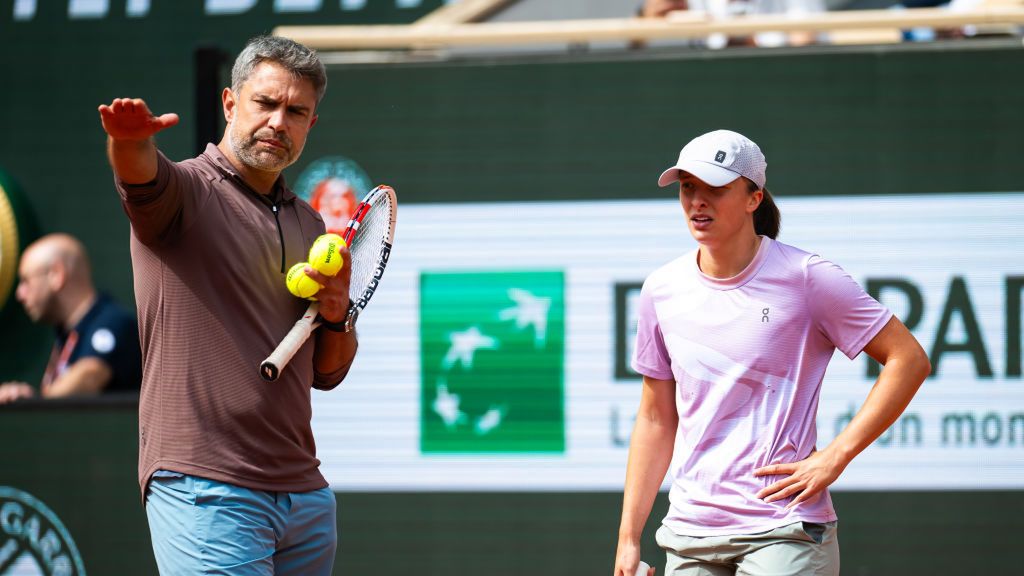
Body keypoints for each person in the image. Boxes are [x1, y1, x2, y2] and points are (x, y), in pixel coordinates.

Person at [613, 130, 930, 576]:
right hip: (688, 532)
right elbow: (655, 418)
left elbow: (908, 358)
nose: (697, 202)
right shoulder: (661, 289)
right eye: (688, 188)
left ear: (753, 198)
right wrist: (628, 540)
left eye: (715, 188)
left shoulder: (808, 277)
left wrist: (835, 456)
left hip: (785, 529)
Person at [97, 35, 357, 575]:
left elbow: (327, 373)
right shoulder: (186, 190)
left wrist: (336, 312)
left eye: (296, 111)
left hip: (304, 498)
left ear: (311, 124)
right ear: (230, 103)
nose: (279, 122)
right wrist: (127, 142)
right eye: (265, 103)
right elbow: (141, 174)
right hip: (205, 485)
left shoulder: (309, 224)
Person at [0, 233, 141, 404]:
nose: (19, 294)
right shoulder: (65, 335)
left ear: (56, 275)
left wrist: (34, 404)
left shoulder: (114, 323)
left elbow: (90, 375)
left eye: (26, 281)